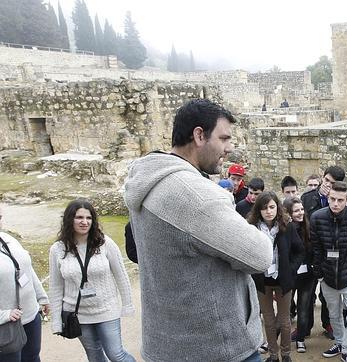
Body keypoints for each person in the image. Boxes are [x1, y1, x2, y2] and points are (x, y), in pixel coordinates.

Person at [124, 98, 273, 362]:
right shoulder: (194, 195)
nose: (228, 149)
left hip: (168, 343)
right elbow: (260, 255)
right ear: (199, 135)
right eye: (224, 138)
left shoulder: (146, 178)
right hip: (215, 347)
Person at [49, 199, 135, 362]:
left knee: (116, 354)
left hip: (106, 309)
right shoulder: (57, 249)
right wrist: (56, 321)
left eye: (88, 218)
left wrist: (127, 305)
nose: (84, 222)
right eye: (79, 217)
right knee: (94, 355)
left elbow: (121, 276)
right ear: (69, 220)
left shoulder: (105, 243)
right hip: (77, 314)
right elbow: (55, 286)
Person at [311, 182, 347, 362]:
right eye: (332, 199)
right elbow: (316, 248)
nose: (335, 203)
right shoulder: (317, 217)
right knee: (334, 315)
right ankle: (340, 342)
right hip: (327, 277)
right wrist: (319, 273)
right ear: (328, 198)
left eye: (340, 200)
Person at [248, 192, 304, 362]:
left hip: (283, 280)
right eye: (264, 208)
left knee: (285, 321)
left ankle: (286, 355)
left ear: (277, 208)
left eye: (272, 207)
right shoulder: (252, 227)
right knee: (269, 320)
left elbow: (299, 250)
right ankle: (273, 355)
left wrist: (291, 269)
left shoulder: (287, 225)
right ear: (259, 210)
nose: (268, 211)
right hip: (262, 280)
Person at [301, 166, 346, 339]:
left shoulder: (340, 202)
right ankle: (304, 328)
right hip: (309, 253)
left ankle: (329, 325)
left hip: (330, 255)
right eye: (326, 180)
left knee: (330, 295)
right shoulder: (307, 198)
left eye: (332, 183)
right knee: (306, 294)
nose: (327, 185)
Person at [0, 209, 49, 362]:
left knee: (33, 358)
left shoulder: (8, 238)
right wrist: (3, 315)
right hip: (6, 325)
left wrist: (42, 297)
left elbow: (26, 269)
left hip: (30, 315)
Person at [283, 197, 315, 354]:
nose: (300, 213)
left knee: (304, 308)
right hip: (291, 275)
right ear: (288, 213)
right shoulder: (285, 229)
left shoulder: (309, 227)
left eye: (302, 209)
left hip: (308, 276)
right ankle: (279, 340)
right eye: (296, 210)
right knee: (286, 309)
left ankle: (301, 338)